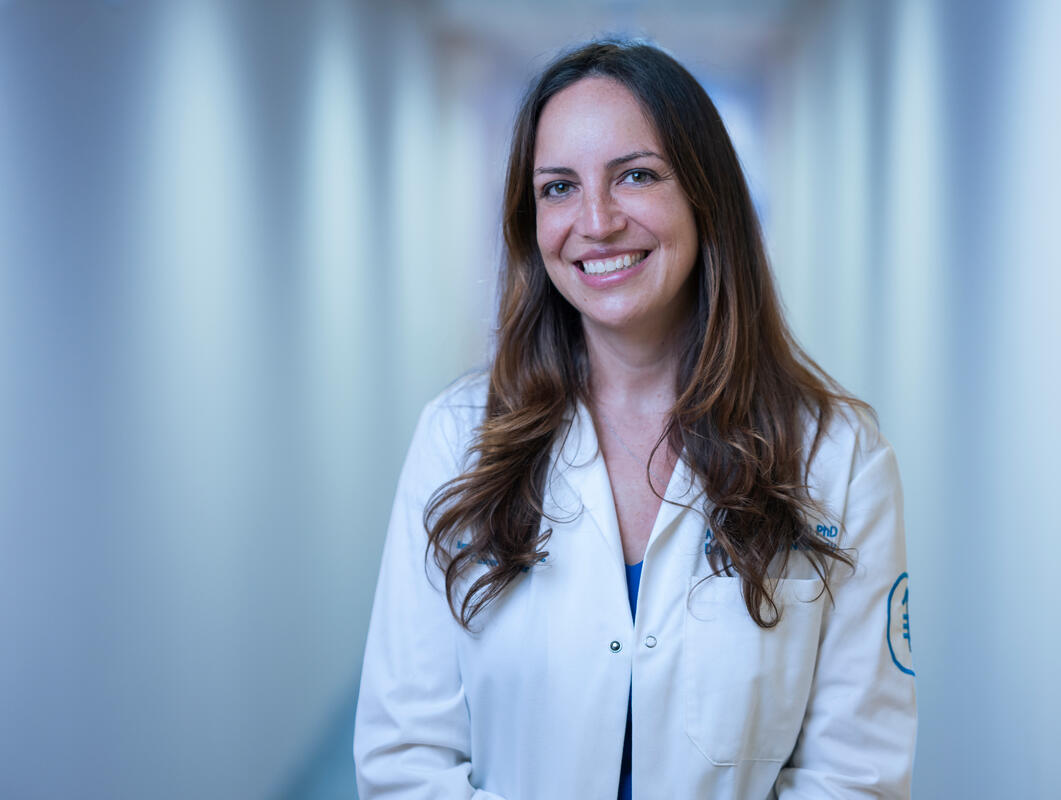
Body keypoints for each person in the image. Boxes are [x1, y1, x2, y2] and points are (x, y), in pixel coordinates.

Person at [354, 39, 916, 799]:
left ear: (705, 195)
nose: (596, 221)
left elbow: (856, 777)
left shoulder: (838, 460)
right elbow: (405, 758)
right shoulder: (457, 440)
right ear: (531, 221)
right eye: (558, 187)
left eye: (637, 176)